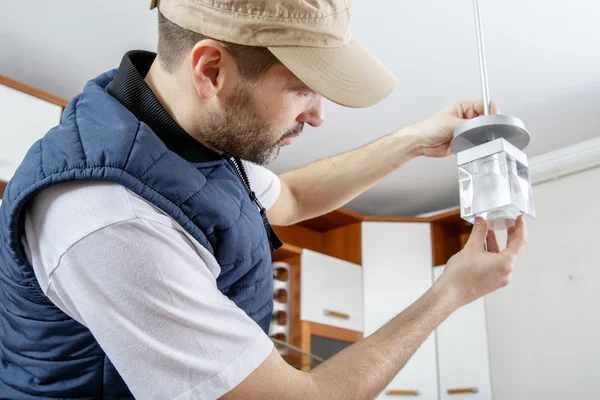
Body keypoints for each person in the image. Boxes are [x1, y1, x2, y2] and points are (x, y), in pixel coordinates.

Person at [0, 0, 527, 399]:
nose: (319, 115)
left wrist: (413, 140)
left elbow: (291, 197)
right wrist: (450, 293)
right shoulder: (111, 220)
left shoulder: (178, 132)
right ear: (210, 70)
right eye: (303, 89)